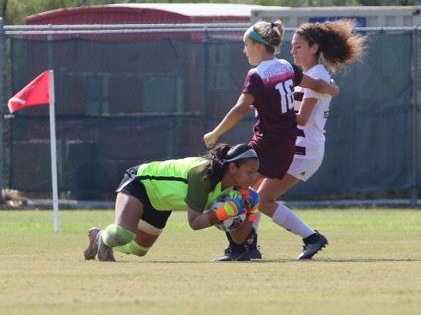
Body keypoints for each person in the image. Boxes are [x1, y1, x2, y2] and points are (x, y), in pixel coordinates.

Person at [203, 20, 339, 261]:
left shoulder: (257, 74)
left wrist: (215, 133)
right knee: (249, 192)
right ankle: (247, 246)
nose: (244, 50)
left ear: (257, 45)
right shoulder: (286, 66)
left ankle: (241, 248)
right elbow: (315, 84)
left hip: (270, 143)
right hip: (284, 145)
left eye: (246, 44)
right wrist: (332, 90)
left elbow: (240, 108)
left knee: (232, 185)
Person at [251, 19, 366, 260]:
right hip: (294, 148)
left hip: (304, 151)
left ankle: (311, 238)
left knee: (261, 200)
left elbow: (302, 119)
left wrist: (271, 109)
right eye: (291, 46)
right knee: (252, 193)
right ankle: (247, 245)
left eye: (298, 46)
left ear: (314, 48)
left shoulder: (317, 75)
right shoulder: (309, 75)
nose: (293, 51)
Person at [83, 143, 260, 262]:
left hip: (161, 204)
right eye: (250, 172)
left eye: (255, 173)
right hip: (142, 183)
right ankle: (101, 238)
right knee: (123, 234)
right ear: (232, 167)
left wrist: (252, 211)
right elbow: (194, 223)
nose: (254, 178)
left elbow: (238, 238)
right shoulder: (203, 174)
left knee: (138, 250)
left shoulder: (236, 189)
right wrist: (225, 212)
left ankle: (102, 239)